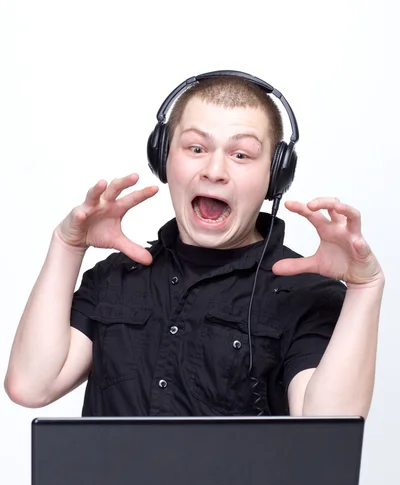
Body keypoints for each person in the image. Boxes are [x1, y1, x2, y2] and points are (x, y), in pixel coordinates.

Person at [4, 70, 384, 418]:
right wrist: (67, 246)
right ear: (163, 157)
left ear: (275, 176)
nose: (214, 171)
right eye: (196, 149)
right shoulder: (115, 279)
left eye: (241, 155)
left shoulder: (306, 293)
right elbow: (30, 385)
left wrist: (365, 289)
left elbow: (328, 428)